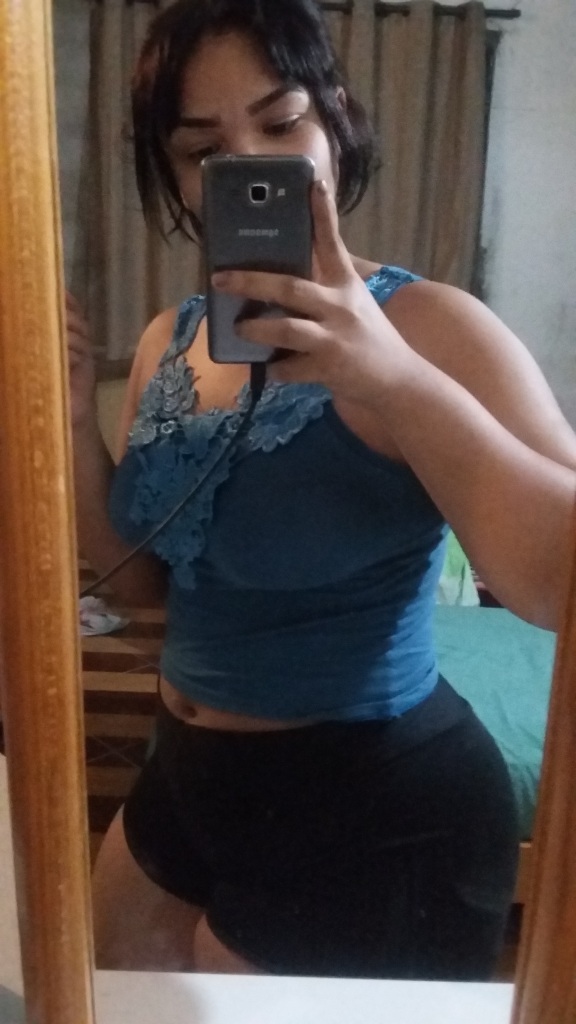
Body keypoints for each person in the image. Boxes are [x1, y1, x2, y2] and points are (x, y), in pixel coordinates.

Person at [68, 0, 576, 980]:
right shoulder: (169, 341)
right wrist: (64, 406)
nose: (251, 162)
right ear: (174, 174)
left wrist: (391, 378)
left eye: (281, 121)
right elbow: (140, 587)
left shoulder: (432, 326)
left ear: (335, 119)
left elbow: (559, 580)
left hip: (375, 809)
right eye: (202, 146)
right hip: (186, 781)